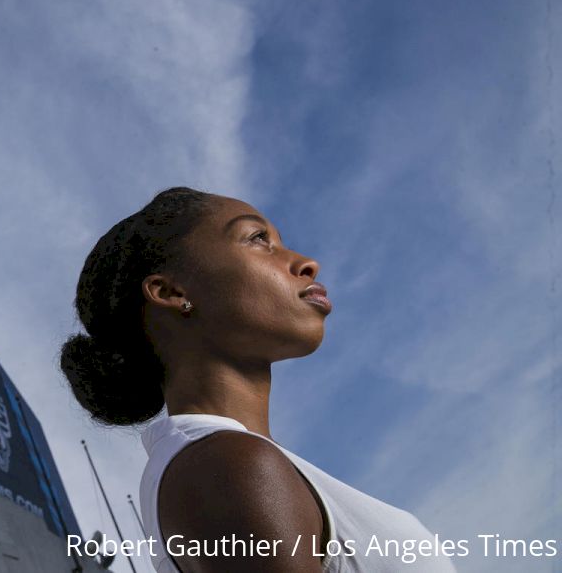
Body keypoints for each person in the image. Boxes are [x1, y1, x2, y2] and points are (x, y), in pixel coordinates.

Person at [60, 188, 456, 572]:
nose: (306, 263)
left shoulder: (226, 460)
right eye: (258, 239)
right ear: (171, 291)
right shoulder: (228, 467)